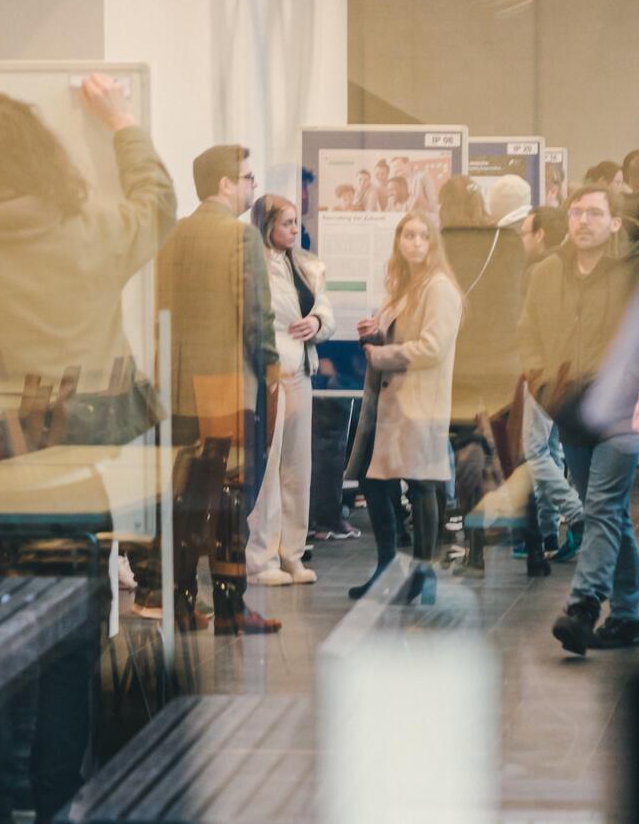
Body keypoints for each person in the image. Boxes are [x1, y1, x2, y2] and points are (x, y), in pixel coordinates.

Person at [0, 75, 176, 822]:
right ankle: (59, 805)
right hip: (71, 492)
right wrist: (121, 121)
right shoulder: (91, 234)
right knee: (70, 661)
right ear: (47, 164)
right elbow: (158, 204)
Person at [520, 185, 639, 655]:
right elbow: (527, 332)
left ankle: (584, 604)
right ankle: (628, 616)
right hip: (569, 408)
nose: (583, 221)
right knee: (609, 513)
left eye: (595, 213)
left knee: (601, 504)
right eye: (576, 212)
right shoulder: (547, 272)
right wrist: (542, 381)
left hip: (625, 411)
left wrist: (632, 380)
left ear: (616, 221)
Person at [144, 143, 282, 635]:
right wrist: (272, 370)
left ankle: (182, 602)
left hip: (176, 388)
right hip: (225, 388)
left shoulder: (171, 235)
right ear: (225, 184)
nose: (252, 186)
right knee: (230, 499)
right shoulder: (241, 237)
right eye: (247, 178)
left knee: (184, 499)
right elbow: (256, 316)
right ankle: (230, 606)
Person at [345, 212, 463, 602]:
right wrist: (375, 335)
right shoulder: (403, 285)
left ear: (433, 243)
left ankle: (423, 576)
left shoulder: (439, 287)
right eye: (408, 235)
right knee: (374, 481)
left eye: (422, 236)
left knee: (421, 483)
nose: (415, 242)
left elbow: (432, 348)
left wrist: (381, 353)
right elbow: (399, 336)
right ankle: (388, 569)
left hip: (418, 402)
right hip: (390, 403)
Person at [437, 176, 528, 576]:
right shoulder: (506, 243)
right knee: (511, 451)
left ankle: (472, 547)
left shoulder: (442, 244)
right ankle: (531, 543)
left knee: (464, 450)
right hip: (504, 358)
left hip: (459, 358)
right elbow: (519, 299)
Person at [245, 194, 336, 586]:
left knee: (298, 468)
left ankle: (292, 554)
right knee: (267, 469)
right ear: (267, 225)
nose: (295, 230)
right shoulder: (252, 265)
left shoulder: (305, 265)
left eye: (296, 222)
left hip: (300, 370)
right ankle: (261, 557)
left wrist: (316, 323)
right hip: (267, 375)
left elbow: (326, 311)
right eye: (286, 223)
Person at [516, 206, 585, 565]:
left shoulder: (542, 271)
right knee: (550, 449)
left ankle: (576, 514)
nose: (522, 240)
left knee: (531, 451)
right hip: (567, 374)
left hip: (544, 374)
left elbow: (532, 327)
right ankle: (547, 533)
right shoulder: (572, 267)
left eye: (525, 233)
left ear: (540, 235)